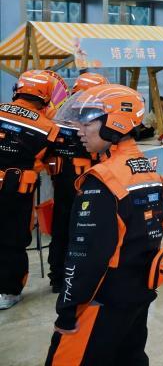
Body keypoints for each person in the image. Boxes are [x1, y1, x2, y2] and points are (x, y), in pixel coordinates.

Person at [45, 84, 163, 365]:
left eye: (87, 122)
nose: (79, 130)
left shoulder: (103, 180)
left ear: (115, 123)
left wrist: (67, 310)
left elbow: (85, 256)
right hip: (138, 292)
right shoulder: (148, 169)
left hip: (102, 300)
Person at [0, 70, 61, 310]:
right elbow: (47, 163)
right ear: (46, 97)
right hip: (16, 193)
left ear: (18, 90)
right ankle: (9, 291)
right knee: (13, 239)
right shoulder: (48, 128)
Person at [46, 72, 109, 293]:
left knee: (61, 226)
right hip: (88, 179)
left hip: (63, 179)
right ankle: (83, 274)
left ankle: (58, 277)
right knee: (88, 226)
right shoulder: (96, 119)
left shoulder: (55, 115)